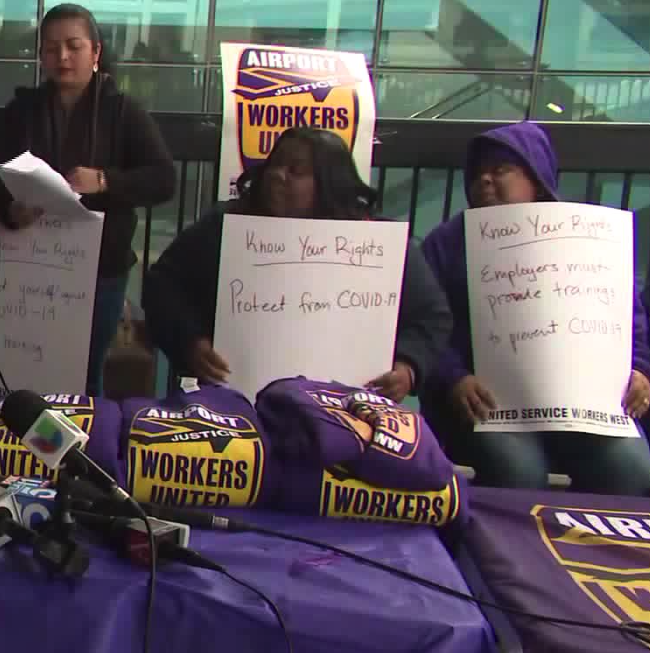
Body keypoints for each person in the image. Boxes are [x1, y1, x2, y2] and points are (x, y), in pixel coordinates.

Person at [420, 123, 650, 494]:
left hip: (585, 410)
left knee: (635, 472)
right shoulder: (445, 244)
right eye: (478, 173)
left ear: (536, 177)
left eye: (500, 170)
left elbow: (628, 317)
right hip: (491, 409)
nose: (485, 181)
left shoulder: (585, 235)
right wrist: (454, 378)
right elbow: (424, 324)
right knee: (519, 472)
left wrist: (640, 370)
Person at [144, 127, 451, 401]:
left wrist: (409, 367)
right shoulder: (224, 225)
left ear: (329, 182)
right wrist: (190, 341)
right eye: (275, 165)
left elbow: (431, 316)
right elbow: (163, 286)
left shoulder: (377, 240)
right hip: (235, 404)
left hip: (348, 413)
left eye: (296, 170)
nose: (278, 175)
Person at [0, 4, 175, 396]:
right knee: (17, 364)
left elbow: (163, 179)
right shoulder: (23, 110)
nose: (62, 57)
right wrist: (9, 207)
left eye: (73, 46)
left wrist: (104, 181)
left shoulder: (124, 112)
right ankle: (21, 453)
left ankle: (80, 452)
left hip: (99, 268)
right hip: (28, 259)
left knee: (83, 373)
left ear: (96, 52)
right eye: (51, 48)